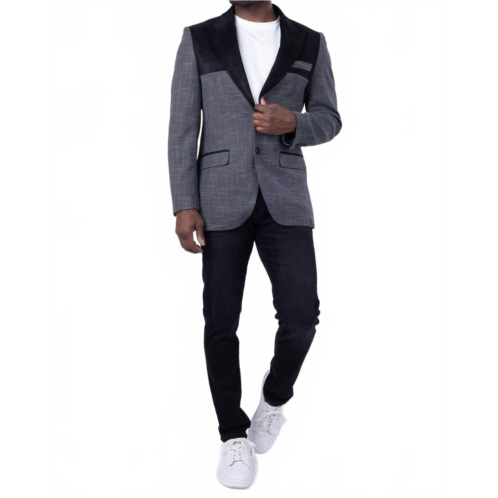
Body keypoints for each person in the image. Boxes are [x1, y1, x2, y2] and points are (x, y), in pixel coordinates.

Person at [168, 0, 342, 489]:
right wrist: (184, 203)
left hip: (286, 197)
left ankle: (275, 397)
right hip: (219, 197)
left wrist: (295, 125)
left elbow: (330, 117)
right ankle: (232, 435)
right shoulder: (200, 38)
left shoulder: (309, 41)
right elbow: (183, 126)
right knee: (221, 320)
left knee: (302, 317)